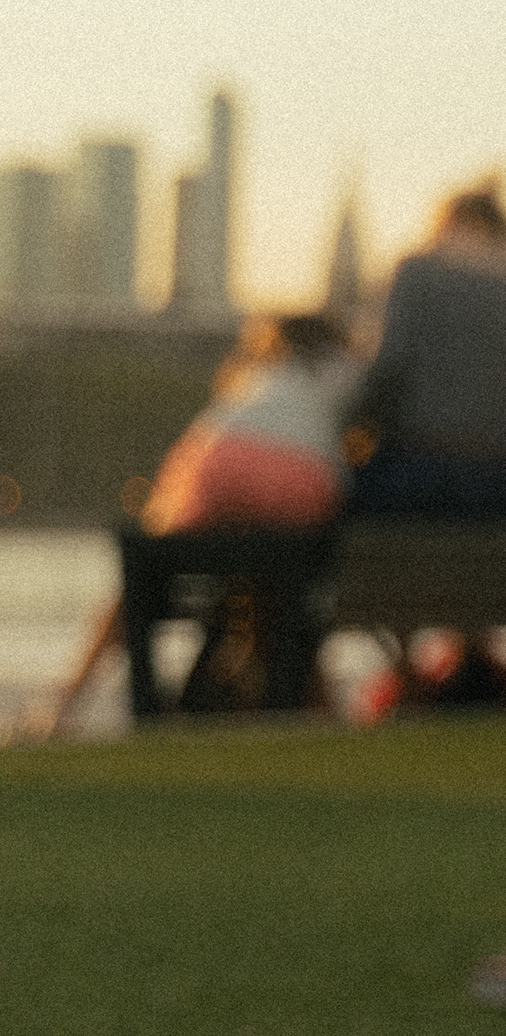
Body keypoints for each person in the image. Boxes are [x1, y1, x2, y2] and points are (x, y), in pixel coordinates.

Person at [13, 308, 361, 740]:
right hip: (306, 478)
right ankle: (323, 712)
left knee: (142, 571)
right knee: (286, 584)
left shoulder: (253, 374)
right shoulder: (345, 370)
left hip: (221, 458)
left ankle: (65, 705)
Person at [349, 178, 506, 518]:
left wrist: (353, 425)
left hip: (426, 472)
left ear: (448, 224)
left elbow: (390, 367)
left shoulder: (420, 272)